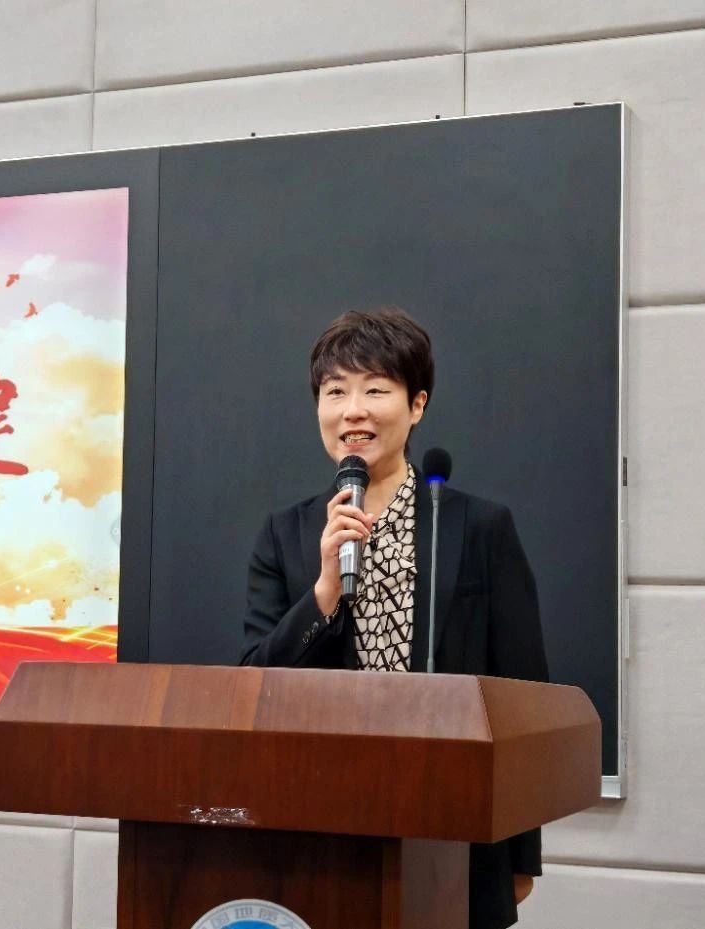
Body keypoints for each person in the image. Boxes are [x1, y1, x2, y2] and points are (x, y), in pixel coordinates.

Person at [240, 306, 549, 929]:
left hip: (454, 832)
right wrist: (324, 591)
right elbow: (253, 681)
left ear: (417, 406)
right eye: (335, 392)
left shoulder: (478, 527)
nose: (353, 411)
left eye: (376, 390)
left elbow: (524, 699)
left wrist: (522, 856)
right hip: (322, 830)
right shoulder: (287, 534)